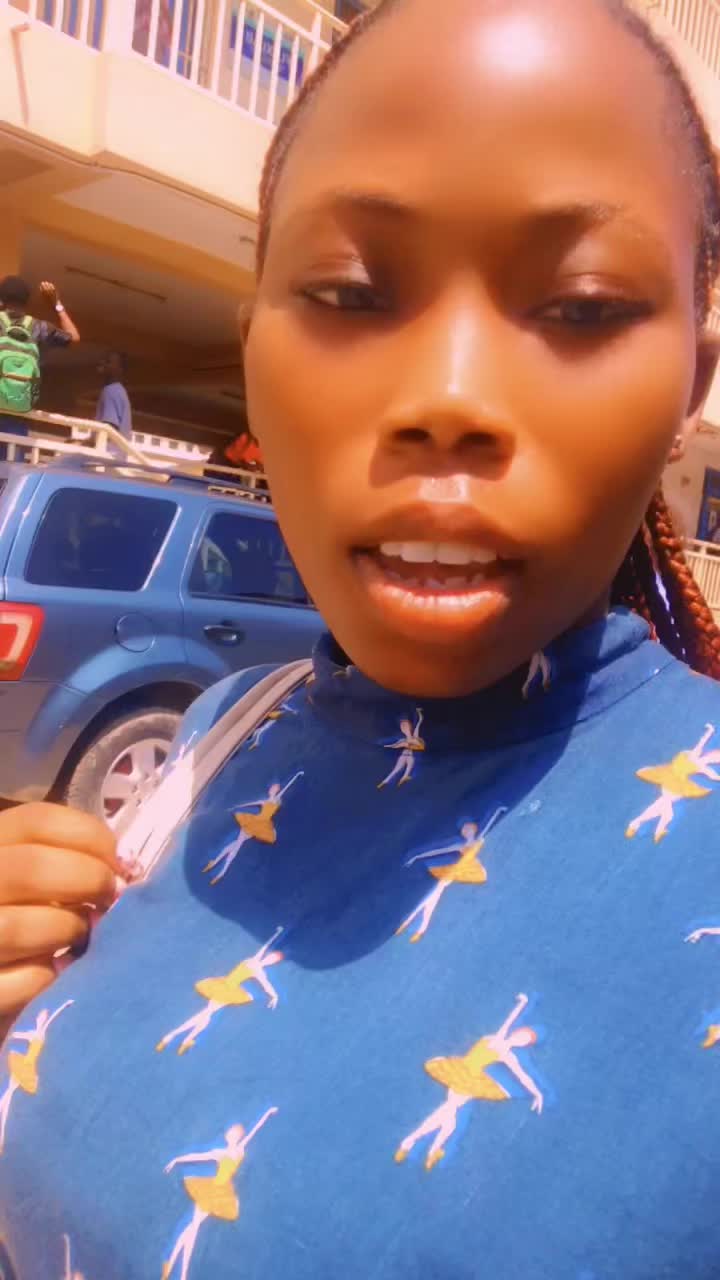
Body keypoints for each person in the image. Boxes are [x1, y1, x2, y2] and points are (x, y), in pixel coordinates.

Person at [1, 0, 720, 1274]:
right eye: (348, 292)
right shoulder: (222, 740)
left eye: (581, 305)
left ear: (691, 384)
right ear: (254, 351)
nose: (448, 396)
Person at [0, 277, 80, 459]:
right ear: (26, 302)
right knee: (11, 471)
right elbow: (74, 337)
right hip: (18, 413)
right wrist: (56, 303)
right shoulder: (38, 327)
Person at [95, 351, 132, 455]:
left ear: (120, 370)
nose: (102, 362)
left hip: (106, 457)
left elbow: (108, 430)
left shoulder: (111, 391)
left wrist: (85, 444)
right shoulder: (117, 390)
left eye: (108, 361)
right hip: (114, 457)